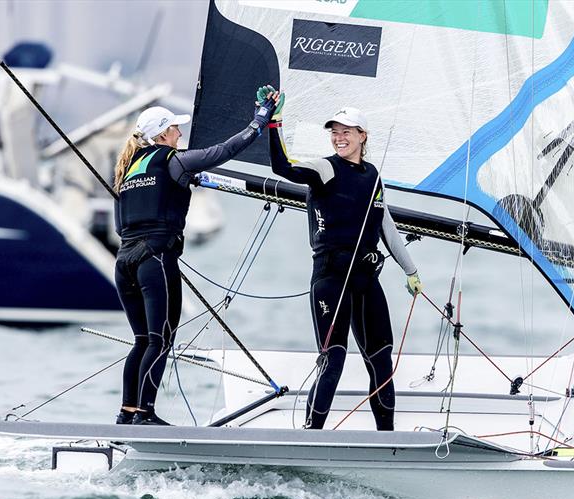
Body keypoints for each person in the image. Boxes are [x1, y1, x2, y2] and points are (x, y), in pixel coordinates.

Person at [112, 98, 277, 425]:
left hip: (124, 262)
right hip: (155, 260)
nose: (179, 133)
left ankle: (127, 412)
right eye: (175, 128)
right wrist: (259, 121)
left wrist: (186, 182)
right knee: (160, 340)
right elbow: (224, 151)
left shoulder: (129, 169)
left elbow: (123, 224)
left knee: (142, 340)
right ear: (161, 135)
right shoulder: (175, 160)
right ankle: (145, 415)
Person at [265, 90, 423, 430]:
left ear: (362, 136)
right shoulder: (326, 168)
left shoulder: (372, 176)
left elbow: (385, 225)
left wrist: (410, 270)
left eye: (347, 131)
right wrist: (272, 122)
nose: (339, 137)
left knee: (381, 359)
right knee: (333, 356)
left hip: (367, 279)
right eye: (335, 131)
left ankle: (388, 439)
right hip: (331, 277)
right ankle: (310, 434)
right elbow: (283, 167)